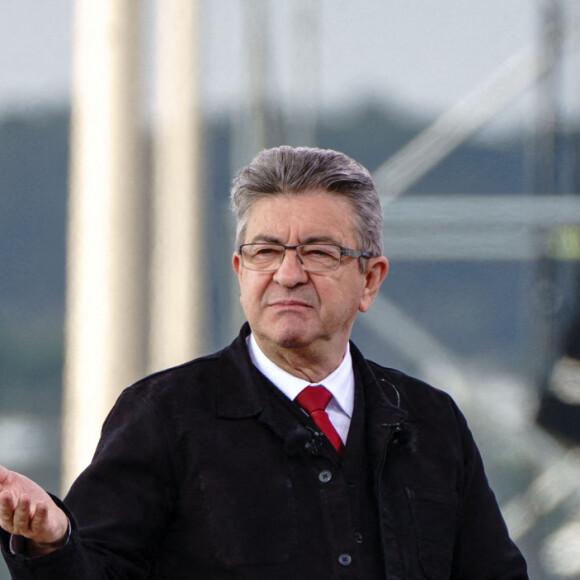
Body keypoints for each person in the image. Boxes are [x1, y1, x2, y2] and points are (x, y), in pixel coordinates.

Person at [0, 146, 528, 579]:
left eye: (319, 252)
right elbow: (102, 570)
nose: (288, 274)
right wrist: (52, 542)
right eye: (266, 251)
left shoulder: (430, 422)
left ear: (370, 280)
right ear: (239, 270)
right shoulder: (163, 415)